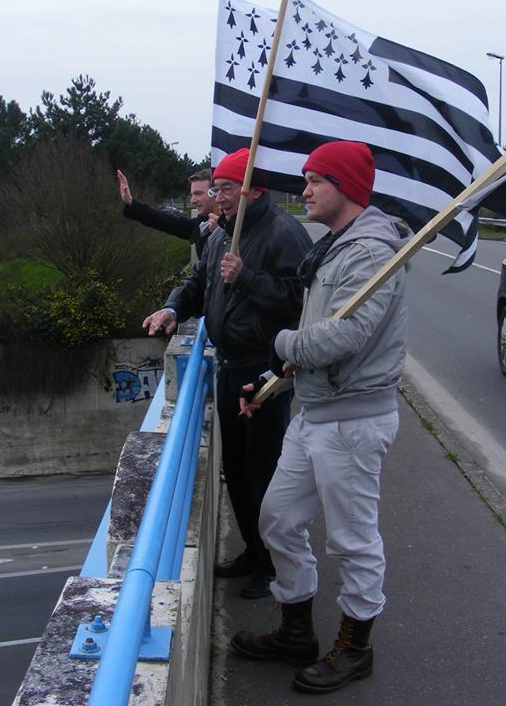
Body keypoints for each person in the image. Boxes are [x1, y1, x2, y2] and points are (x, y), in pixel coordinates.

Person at [231, 140, 409, 693]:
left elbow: (346, 335)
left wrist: (279, 342)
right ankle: (295, 631)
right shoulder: (334, 246)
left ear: (347, 187)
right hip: (315, 413)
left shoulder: (372, 251)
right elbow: (314, 341)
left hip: (352, 422)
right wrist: (269, 385)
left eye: (315, 181)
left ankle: (356, 649)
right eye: (306, 179)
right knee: (278, 518)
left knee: (353, 540)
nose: (304, 190)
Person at [142, 148, 312, 599]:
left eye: (226, 188)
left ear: (255, 189)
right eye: (216, 189)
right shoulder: (221, 236)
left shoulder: (284, 233)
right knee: (235, 470)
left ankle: (274, 565)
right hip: (229, 366)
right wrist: (173, 307)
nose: (219, 197)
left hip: (264, 373)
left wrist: (247, 278)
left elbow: (301, 302)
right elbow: (200, 283)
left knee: (265, 471)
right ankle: (253, 553)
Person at [117, 167, 218, 260]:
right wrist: (131, 202)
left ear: (215, 192)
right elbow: (165, 221)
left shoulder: (231, 227)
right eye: (192, 194)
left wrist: (221, 232)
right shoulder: (200, 223)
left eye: (198, 193)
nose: (192, 200)